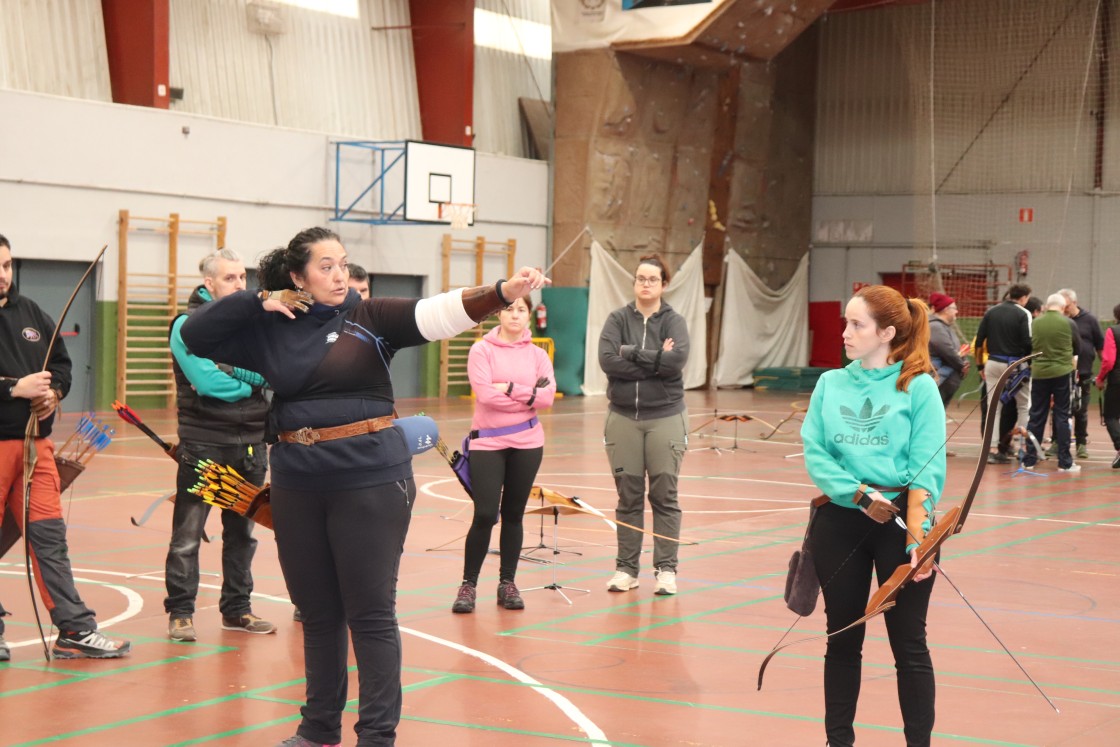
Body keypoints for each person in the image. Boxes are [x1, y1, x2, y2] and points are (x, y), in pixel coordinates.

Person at [179, 226, 548, 747]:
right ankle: (318, 729)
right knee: (319, 614)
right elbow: (195, 336)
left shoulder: (369, 317)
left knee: (371, 614)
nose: (339, 276)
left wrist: (502, 293)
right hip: (297, 484)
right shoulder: (271, 324)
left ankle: (376, 736)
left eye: (343, 264)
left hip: (370, 481)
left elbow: (437, 312)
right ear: (296, 276)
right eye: (325, 266)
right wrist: (259, 299)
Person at [801, 285, 945, 747]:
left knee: (909, 645)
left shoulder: (918, 386)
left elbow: (928, 466)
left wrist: (918, 538)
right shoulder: (831, 384)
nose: (844, 332)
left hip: (901, 528)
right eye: (846, 322)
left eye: (856, 325)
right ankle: (837, 741)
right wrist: (859, 495)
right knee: (842, 639)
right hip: (841, 523)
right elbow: (816, 453)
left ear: (886, 332)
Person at [0, 233, 131, 660]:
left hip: (36, 448)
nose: (3, 276)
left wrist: (53, 392)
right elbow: (14, 385)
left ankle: (74, 629)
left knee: (49, 538)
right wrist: (12, 388)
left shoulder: (30, 312)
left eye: (6, 266)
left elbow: (60, 365)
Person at [165, 249, 275, 642]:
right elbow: (211, 384)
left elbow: (274, 373)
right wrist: (254, 380)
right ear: (208, 284)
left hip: (251, 446)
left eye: (243, 277)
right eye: (230, 278)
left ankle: (238, 610)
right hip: (205, 445)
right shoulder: (187, 325)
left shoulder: (251, 325)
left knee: (243, 536)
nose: (240, 285)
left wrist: (245, 374)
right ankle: (180, 613)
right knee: (187, 536)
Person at [451, 294, 556, 613]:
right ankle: (468, 585)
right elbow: (484, 394)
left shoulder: (539, 356)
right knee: (485, 514)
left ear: (528, 315)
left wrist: (509, 388)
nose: (515, 315)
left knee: (514, 513)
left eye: (521, 310)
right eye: (509, 309)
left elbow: (548, 397)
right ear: (498, 314)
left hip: (528, 443)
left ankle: (507, 583)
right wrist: (529, 397)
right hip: (487, 443)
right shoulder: (481, 350)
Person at [598, 254, 689, 596]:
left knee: (664, 496)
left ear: (664, 284)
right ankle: (626, 569)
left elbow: (676, 361)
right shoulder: (617, 319)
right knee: (628, 497)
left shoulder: (674, 322)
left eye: (652, 279)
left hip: (665, 416)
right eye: (640, 278)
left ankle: (666, 570)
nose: (645, 284)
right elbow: (608, 361)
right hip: (623, 418)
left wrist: (632, 353)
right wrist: (656, 360)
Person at [973, 284, 1033, 462]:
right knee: (1024, 405)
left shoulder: (991, 312)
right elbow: (1027, 343)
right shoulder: (1024, 313)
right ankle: (1023, 447)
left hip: (992, 362)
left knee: (994, 408)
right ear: (1023, 298)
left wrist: (980, 367)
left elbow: (979, 341)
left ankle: (991, 449)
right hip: (1015, 365)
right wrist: (1027, 364)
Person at [1023, 293, 1080, 473]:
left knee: (1036, 414)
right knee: (1062, 415)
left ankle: (1029, 459)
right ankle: (1065, 462)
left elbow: (1028, 346)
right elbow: (1078, 347)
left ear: (1047, 306)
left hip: (1039, 373)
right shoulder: (1069, 323)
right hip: (1062, 372)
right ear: (1063, 308)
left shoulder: (1036, 322)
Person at [1059, 289, 1102, 460]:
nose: (1064, 309)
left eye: (1066, 305)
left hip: (1083, 373)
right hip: (1061, 372)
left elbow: (1100, 346)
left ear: (1074, 302)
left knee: (1081, 410)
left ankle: (1081, 444)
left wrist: (1106, 372)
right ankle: (1057, 442)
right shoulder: (1060, 320)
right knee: (1060, 409)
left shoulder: (1090, 320)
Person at [927, 292, 968, 405]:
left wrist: (963, 363)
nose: (956, 311)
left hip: (947, 378)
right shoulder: (936, 326)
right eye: (954, 308)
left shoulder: (943, 326)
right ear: (945, 310)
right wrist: (961, 365)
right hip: (942, 378)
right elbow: (947, 351)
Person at [1094, 303, 1120, 469]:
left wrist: (1100, 378)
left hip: (1117, 380)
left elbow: (1108, 360)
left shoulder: (1113, 331)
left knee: (1110, 416)